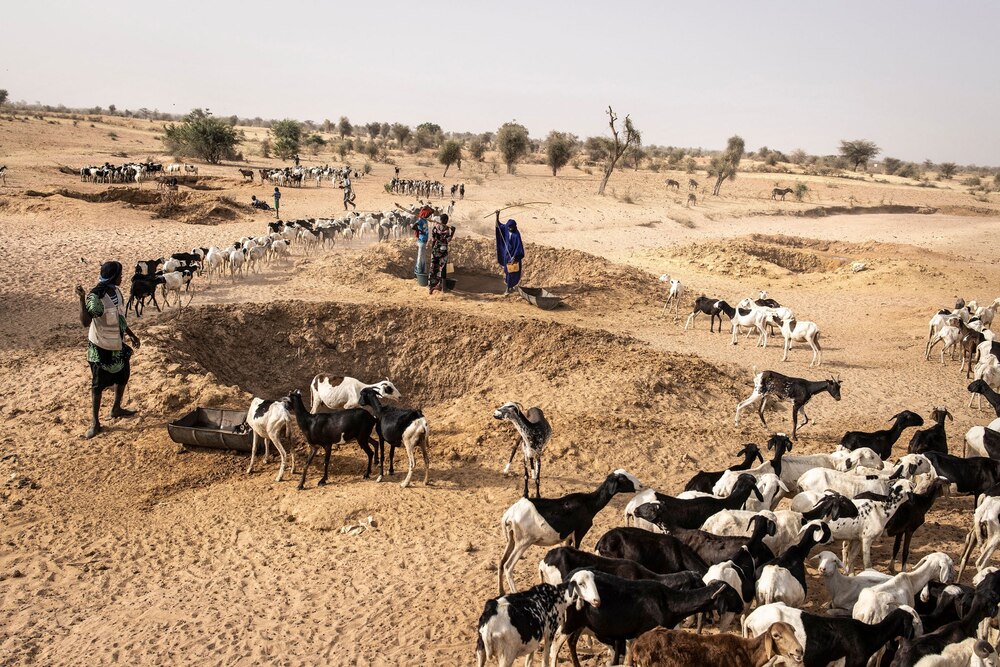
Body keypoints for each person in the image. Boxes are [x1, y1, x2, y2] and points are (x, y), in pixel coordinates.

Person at [75, 261, 140, 439]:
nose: (122, 277)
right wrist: (82, 299)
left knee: (123, 375)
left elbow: (119, 317)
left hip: (117, 344)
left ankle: (116, 408)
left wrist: (131, 335)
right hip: (100, 346)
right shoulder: (96, 297)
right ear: (112, 276)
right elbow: (85, 322)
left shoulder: (117, 293)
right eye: (120, 275)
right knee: (98, 384)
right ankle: (95, 423)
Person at [495, 211, 525, 295]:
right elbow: (498, 225)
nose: (510, 229)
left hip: (514, 257)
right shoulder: (506, 228)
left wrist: (514, 256)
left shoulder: (516, 234)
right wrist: (497, 215)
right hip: (507, 256)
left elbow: (519, 247)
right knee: (508, 272)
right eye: (509, 227)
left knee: (511, 273)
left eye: (511, 228)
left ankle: (508, 289)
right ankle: (510, 287)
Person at [428, 213, 456, 295]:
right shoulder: (447, 229)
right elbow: (448, 240)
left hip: (435, 250)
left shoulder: (435, 227)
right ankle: (443, 288)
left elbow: (433, 239)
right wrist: (453, 232)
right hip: (443, 252)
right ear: (446, 221)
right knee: (443, 269)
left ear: (441, 220)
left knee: (433, 267)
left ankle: (431, 286)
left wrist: (432, 250)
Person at [411, 204, 432, 274]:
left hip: (424, 241)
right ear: (424, 214)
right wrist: (421, 231)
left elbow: (432, 211)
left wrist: (426, 207)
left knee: (423, 257)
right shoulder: (420, 220)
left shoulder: (425, 220)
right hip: (421, 240)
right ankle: (418, 271)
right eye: (427, 214)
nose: (428, 216)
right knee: (420, 257)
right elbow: (413, 227)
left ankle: (423, 271)